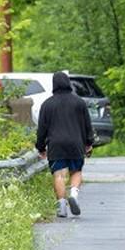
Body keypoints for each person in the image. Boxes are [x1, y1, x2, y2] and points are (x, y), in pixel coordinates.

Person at [36, 71, 95, 218]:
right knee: (76, 171)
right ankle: (73, 195)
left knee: (59, 175)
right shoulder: (79, 102)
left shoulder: (47, 104)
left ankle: (62, 206)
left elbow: (41, 129)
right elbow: (87, 125)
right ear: (68, 83)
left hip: (56, 145)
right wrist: (89, 142)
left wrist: (40, 147)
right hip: (76, 143)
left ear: (54, 84)